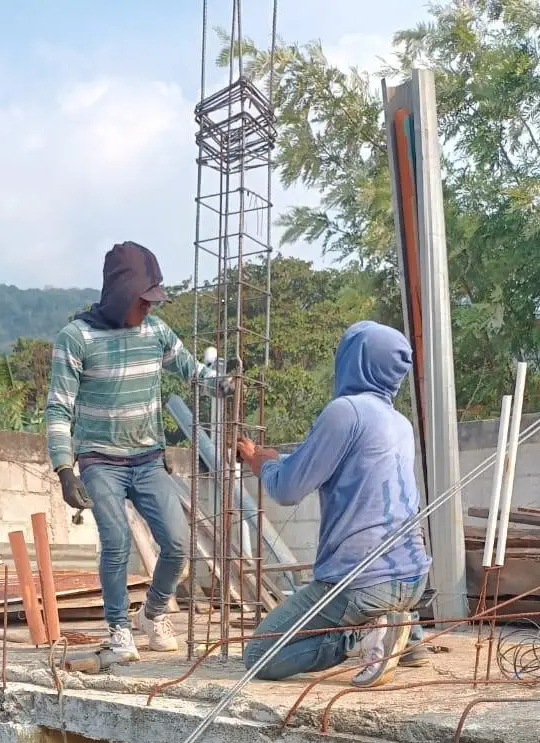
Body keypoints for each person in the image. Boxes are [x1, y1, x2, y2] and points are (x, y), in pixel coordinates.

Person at [46, 241, 228, 662]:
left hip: (147, 458)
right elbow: (58, 406)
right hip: (100, 459)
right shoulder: (77, 338)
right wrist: (64, 469)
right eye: (142, 302)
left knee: (177, 543)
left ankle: (154, 613)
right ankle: (118, 631)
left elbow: (191, 370)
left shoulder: (156, 332)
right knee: (116, 541)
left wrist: (222, 383)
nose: (148, 309)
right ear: (121, 295)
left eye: (152, 302)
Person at [236, 320, 432, 687]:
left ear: (354, 360)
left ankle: (363, 634)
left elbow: (288, 489)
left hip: (363, 582)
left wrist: (264, 463)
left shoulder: (345, 411)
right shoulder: (399, 423)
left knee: (260, 654)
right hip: (414, 578)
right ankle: (408, 633)